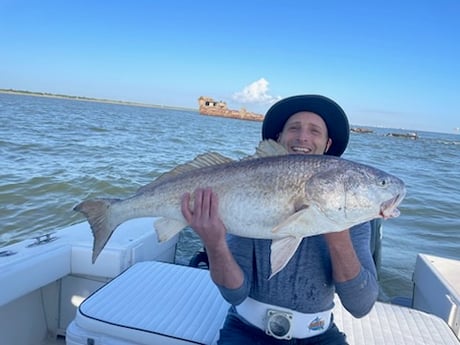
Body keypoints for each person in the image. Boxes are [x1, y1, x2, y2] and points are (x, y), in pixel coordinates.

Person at [181, 95, 379, 344]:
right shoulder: (247, 192)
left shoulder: (355, 216)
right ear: (278, 139)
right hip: (245, 330)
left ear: (328, 145)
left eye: (314, 131)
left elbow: (360, 305)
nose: (303, 137)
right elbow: (234, 294)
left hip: (319, 335)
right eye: (294, 128)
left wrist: (335, 224)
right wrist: (214, 243)